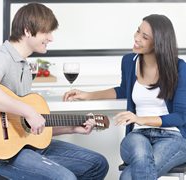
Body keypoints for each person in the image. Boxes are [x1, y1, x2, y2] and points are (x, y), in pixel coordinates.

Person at [0, 2, 109, 180]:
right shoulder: (0, 56)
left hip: (22, 147)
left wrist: (71, 128)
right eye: (47, 32)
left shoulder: (25, 67)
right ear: (28, 31)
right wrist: (28, 110)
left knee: (98, 164)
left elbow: (27, 127)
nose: (51, 38)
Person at [63, 14, 186, 180]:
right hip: (137, 135)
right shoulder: (129, 61)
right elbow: (123, 91)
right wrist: (88, 95)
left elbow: (180, 117)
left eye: (144, 36)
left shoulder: (178, 67)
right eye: (138, 31)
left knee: (129, 175)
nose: (136, 38)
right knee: (141, 156)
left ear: (158, 43)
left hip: (173, 138)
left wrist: (142, 119)